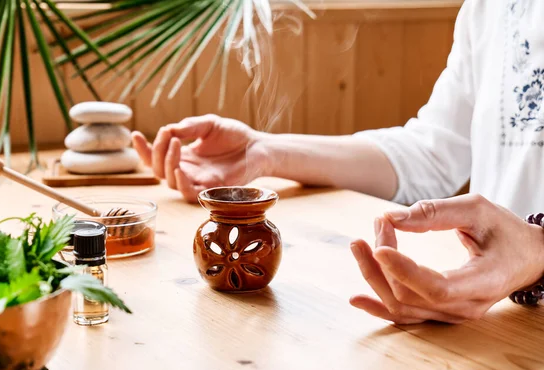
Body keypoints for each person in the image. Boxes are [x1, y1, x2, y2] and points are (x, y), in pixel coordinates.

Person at [131, 0, 544, 324]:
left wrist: (537, 252)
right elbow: (431, 153)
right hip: (502, 324)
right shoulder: (489, 6)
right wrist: (267, 151)